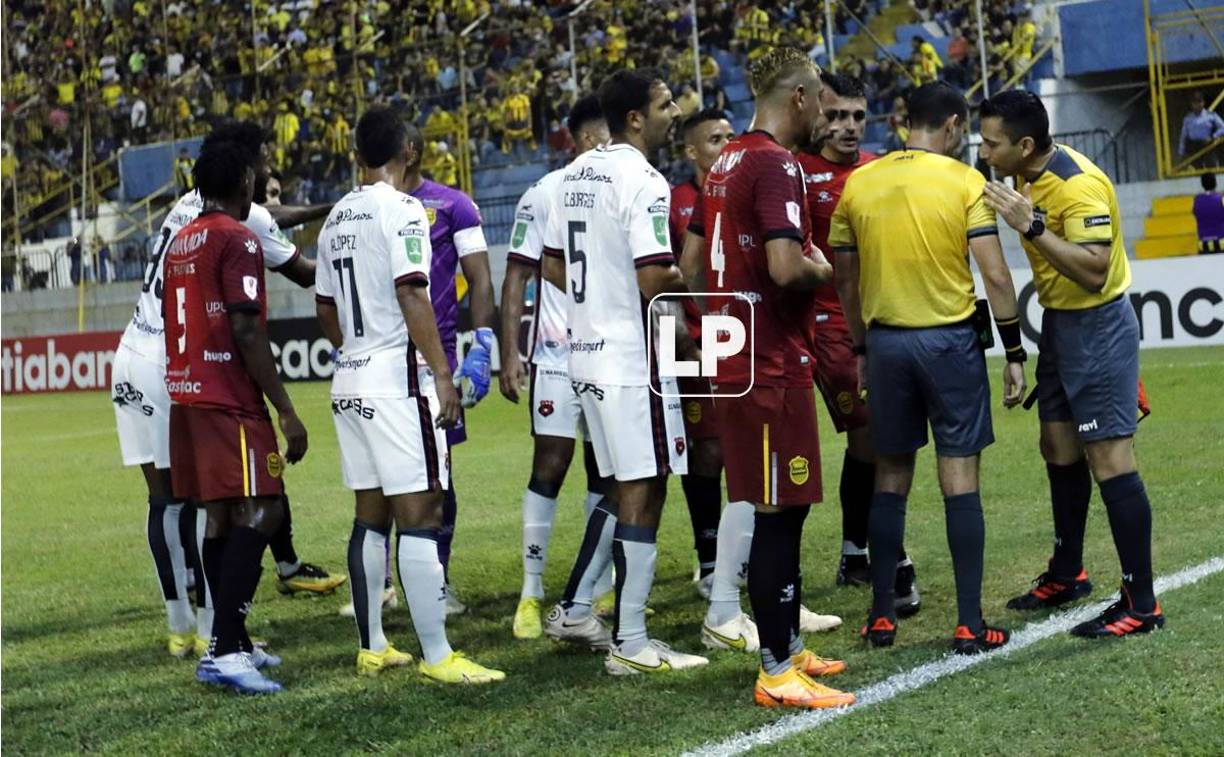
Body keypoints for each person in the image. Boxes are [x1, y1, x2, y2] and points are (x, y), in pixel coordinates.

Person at [110, 121, 341, 662]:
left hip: (133, 355)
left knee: (172, 502)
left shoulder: (184, 211)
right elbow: (295, 265)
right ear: (242, 168)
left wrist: (309, 211)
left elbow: (272, 217)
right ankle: (222, 633)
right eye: (260, 160)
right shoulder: (236, 223)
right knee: (224, 502)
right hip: (179, 364)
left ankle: (184, 625)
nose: (265, 171)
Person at [682, 47, 854, 709]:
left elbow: (694, 260)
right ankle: (778, 668)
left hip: (739, 353)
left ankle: (784, 642)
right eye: (823, 102)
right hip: (769, 363)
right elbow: (787, 267)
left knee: (776, 503)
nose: (828, 114)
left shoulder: (724, 159)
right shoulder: (775, 162)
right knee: (781, 510)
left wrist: (720, 319)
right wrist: (824, 268)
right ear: (800, 98)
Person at [831, 81, 1026, 655]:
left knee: (890, 478)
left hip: (887, 346)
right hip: (949, 344)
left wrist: (862, 349)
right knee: (959, 477)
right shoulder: (965, 181)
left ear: (902, 122)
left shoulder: (859, 183)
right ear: (954, 125)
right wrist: (1014, 352)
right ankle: (969, 622)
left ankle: (881, 617)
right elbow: (994, 276)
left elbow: (846, 280)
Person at [316, 106, 504, 684]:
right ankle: (439, 655)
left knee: (369, 516)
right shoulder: (402, 210)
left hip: (349, 378)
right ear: (408, 152)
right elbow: (413, 294)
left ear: (357, 155)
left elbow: (325, 307)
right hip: (397, 383)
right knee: (423, 511)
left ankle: (373, 646)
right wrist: (442, 374)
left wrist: (359, 348)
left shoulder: (335, 217)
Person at [539, 68, 708, 674]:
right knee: (646, 484)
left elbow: (552, 264)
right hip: (630, 359)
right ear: (635, 117)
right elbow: (653, 277)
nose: (673, 113)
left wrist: (597, 298)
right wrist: (699, 275)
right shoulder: (644, 179)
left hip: (584, 354)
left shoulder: (572, 175)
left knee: (620, 485)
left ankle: (582, 609)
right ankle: (632, 644)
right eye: (665, 105)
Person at [980, 90, 1166, 638]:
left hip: (1098, 325)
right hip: (1060, 326)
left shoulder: (1076, 184)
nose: (986, 152)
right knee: (1058, 448)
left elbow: (1094, 269)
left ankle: (1143, 601)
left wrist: (1032, 224)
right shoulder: (1025, 175)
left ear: (1026, 145)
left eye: (993, 143)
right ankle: (1068, 573)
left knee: (1110, 458)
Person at [165, 139, 307, 695]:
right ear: (244, 183)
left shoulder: (183, 238)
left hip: (189, 394)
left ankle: (233, 640)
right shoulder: (236, 238)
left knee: (223, 517)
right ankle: (225, 648)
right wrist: (286, 410)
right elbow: (246, 329)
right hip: (228, 397)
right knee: (266, 509)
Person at [797, 71, 919, 615]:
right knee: (874, 434)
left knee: (866, 444)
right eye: (837, 115)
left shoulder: (877, 170)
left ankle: (854, 551)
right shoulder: (798, 172)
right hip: (825, 325)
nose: (847, 127)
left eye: (856, 117)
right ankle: (883, 554)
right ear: (819, 114)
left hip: (877, 321)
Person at [500, 95, 616, 640]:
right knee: (550, 464)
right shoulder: (543, 193)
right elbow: (517, 273)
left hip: (608, 352)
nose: (603, 146)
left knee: (606, 468)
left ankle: (595, 585)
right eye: (597, 137)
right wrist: (508, 352)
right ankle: (530, 591)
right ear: (581, 139)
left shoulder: (623, 185)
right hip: (553, 354)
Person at [1178, 91, 1224, 169]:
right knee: (1195, 172)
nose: (1197, 105)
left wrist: (1213, 136)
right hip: (1193, 148)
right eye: (1195, 102)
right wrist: (1181, 152)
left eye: (1199, 102)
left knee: (1212, 169)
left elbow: (1223, 128)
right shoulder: (1188, 119)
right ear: (1192, 104)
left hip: (1207, 146)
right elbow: (1183, 136)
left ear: (1203, 103)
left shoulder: (1211, 115)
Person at [1193, 173, 1223, 254]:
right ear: (1215, 183)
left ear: (1202, 185)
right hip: (1221, 243)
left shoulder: (1196, 200)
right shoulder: (1221, 198)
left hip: (1203, 244)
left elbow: (1195, 214)